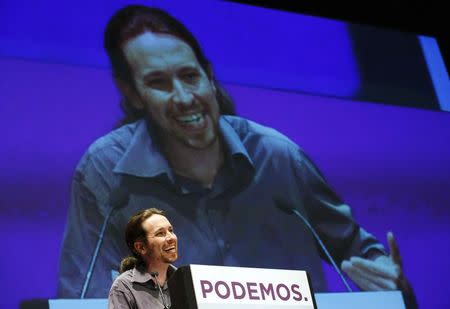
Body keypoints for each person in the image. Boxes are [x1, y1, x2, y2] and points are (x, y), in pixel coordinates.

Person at [57, 4, 416, 308]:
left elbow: (358, 255)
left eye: (189, 76)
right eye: (159, 83)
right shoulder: (105, 173)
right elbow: (83, 297)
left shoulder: (277, 157)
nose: (184, 97)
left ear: (209, 76)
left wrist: (391, 284)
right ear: (133, 95)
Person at [109, 208, 177, 308]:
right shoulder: (124, 287)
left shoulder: (184, 281)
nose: (171, 238)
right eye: (160, 233)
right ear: (141, 247)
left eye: (170, 230)